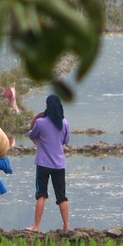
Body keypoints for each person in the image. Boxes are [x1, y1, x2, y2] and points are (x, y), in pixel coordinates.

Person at [26, 94, 71, 232]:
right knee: (61, 197)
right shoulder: (64, 123)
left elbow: (32, 135)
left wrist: (33, 122)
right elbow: (65, 140)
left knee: (41, 195)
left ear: (47, 106)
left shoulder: (41, 123)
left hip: (43, 164)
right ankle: (66, 226)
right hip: (59, 165)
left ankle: (36, 226)